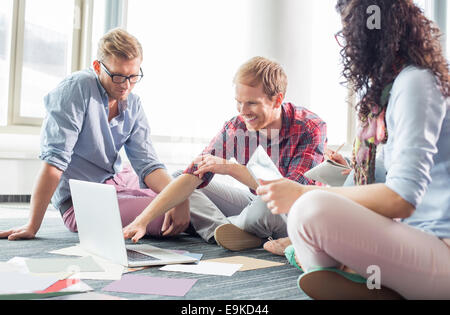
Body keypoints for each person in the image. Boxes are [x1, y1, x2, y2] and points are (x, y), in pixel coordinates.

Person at [257, 0, 450, 299]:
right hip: (417, 238)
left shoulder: (416, 83)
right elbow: (382, 178)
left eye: (349, 32)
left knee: (309, 210)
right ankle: (364, 282)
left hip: (441, 248)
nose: (346, 43)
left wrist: (303, 192)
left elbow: (402, 198)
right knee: (304, 217)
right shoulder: (390, 91)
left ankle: (357, 278)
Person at [0, 28, 189, 241]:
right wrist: (32, 226)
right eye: (118, 76)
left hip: (120, 181)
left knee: (186, 186)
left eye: (133, 76)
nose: (126, 86)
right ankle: (222, 230)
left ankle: (225, 226)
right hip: (82, 200)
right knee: (166, 214)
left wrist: (179, 197)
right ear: (98, 67)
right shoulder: (76, 90)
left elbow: (148, 165)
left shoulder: (133, 103)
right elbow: (54, 164)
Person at [123, 56, 327, 251]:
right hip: (256, 203)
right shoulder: (236, 126)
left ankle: (240, 228)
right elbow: (193, 174)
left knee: (263, 208)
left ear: (277, 100)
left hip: (298, 212)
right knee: (178, 178)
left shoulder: (309, 127)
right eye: (238, 101)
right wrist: (141, 221)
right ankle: (224, 231)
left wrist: (230, 168)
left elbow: (290, 194)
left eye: (252, 103)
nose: (243, 111)